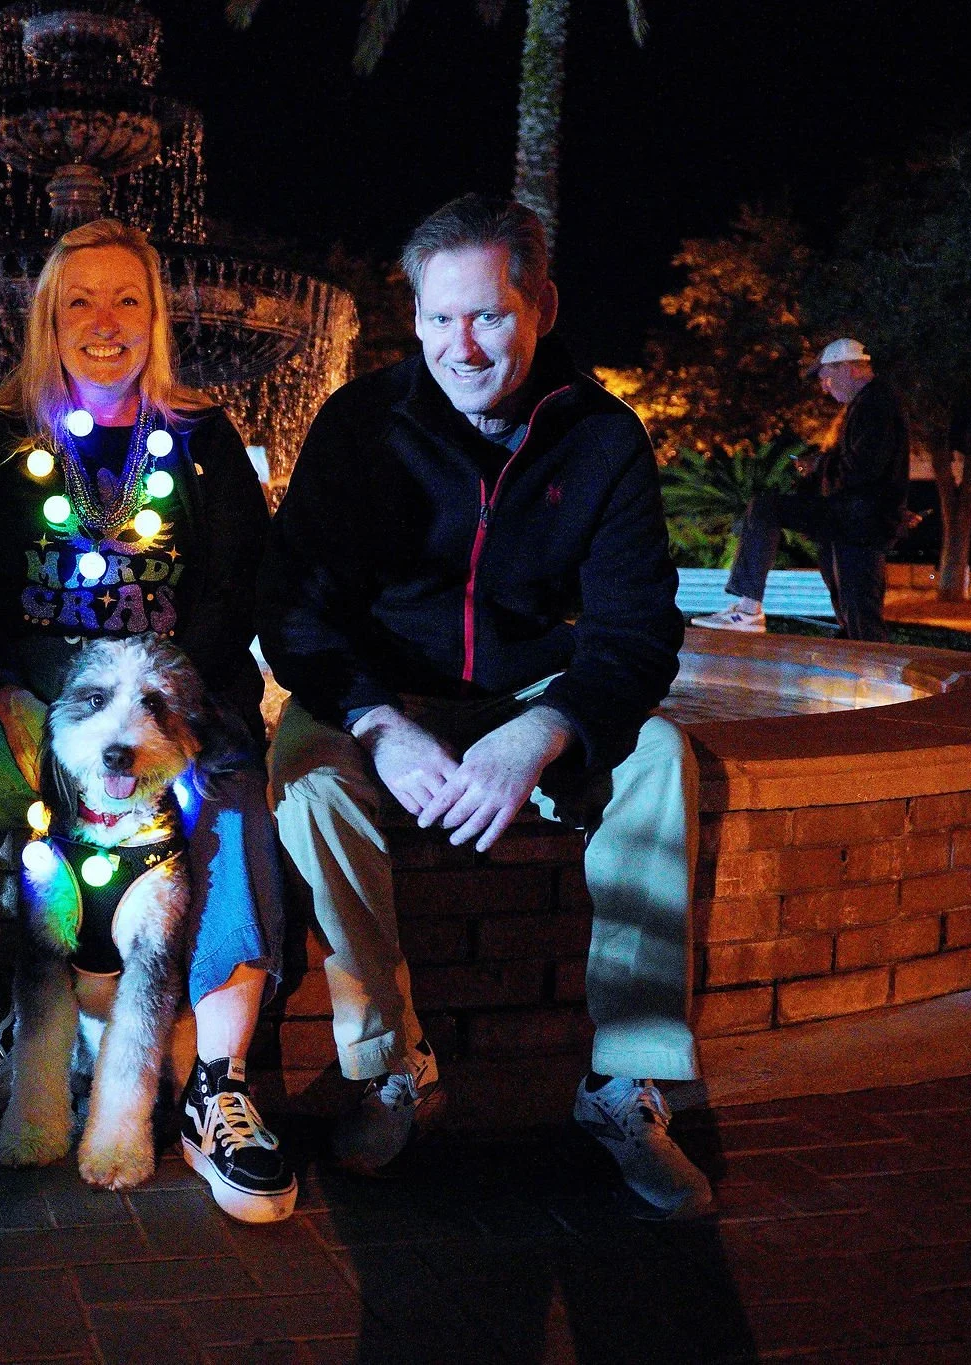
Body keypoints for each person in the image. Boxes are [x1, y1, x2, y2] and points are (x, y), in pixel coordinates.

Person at [260, 193, 714, 1219]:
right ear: (411, 315)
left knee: (656, 763)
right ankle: (391, 1065)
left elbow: (636, 631)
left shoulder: (599, 440)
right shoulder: (357, 427)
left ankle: (622, 1086)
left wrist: (548, 725)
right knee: (304, 787)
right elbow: (291, 611)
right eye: (436, 318)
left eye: (488, 316)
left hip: (527, 700)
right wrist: (374, 721)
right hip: (376, 701)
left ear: (539, 304)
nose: (459, 346)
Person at [0, 218, 295, 1223]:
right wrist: (4, 687)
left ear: (155, 318)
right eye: (79, 303)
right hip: (14, 697)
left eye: (125, 300)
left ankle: (217, 1084)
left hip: (165, 705)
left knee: (234, 809)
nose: (103, 324)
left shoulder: (201, 441)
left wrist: (174, 704)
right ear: (49, 322)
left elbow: (243, 589)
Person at [692, 337, 911, 641]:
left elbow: (863, 469)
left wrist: (821, 466)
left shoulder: (876, 404)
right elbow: (861, 464)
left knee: (860, 615)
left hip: (858, 521)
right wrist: (819, 466)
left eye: (826, 377)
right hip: (851, 521)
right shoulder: (867, 404)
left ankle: (748, 607)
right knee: (854, 614)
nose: (824, 387)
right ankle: (749, 607)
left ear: (848, 368)